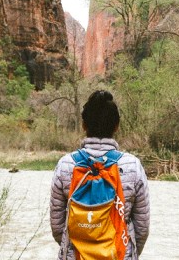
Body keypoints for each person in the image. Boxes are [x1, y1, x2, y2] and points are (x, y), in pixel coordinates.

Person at [50, 90, 150, 259]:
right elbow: (142, 228)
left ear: (84, 125)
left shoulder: (65, 165)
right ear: (116, 126)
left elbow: (57, 226)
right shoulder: (132, 166)